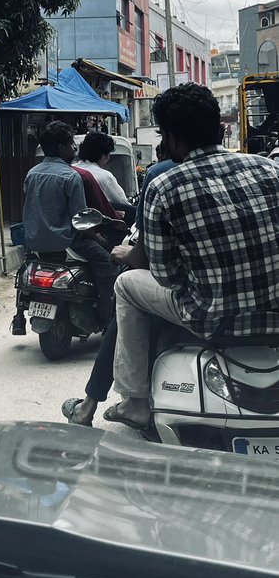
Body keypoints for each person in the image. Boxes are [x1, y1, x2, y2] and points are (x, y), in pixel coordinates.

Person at [105, 83, 279, 430]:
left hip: (213, 320)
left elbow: (167, 275)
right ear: (220, 127)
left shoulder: (164, 186)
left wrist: (128, 254)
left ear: (172, 139)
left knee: (125, 284)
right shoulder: (268, 170)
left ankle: (135, 401)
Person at [61, 143, 177, 427]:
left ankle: (116, 403)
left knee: (123, 286)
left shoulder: (161, 175)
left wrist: (126, 252)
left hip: (69, 242)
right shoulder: (262, 169)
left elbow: (145, 246)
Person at [20, 120, 116, 326]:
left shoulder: (32, 173)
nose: (74, 148)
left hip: (35, 243)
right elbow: (81, 218)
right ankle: (110, 323)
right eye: (72, 143)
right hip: (67, 243)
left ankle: (20, 314)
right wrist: (98, 236)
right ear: (62, 147)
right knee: (109, 266)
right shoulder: (71, 176)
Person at [76, 130, 134, 217]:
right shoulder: (104, 176)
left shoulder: (71, 170)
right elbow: (122, 203)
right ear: (103, 155)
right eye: (108, 154)